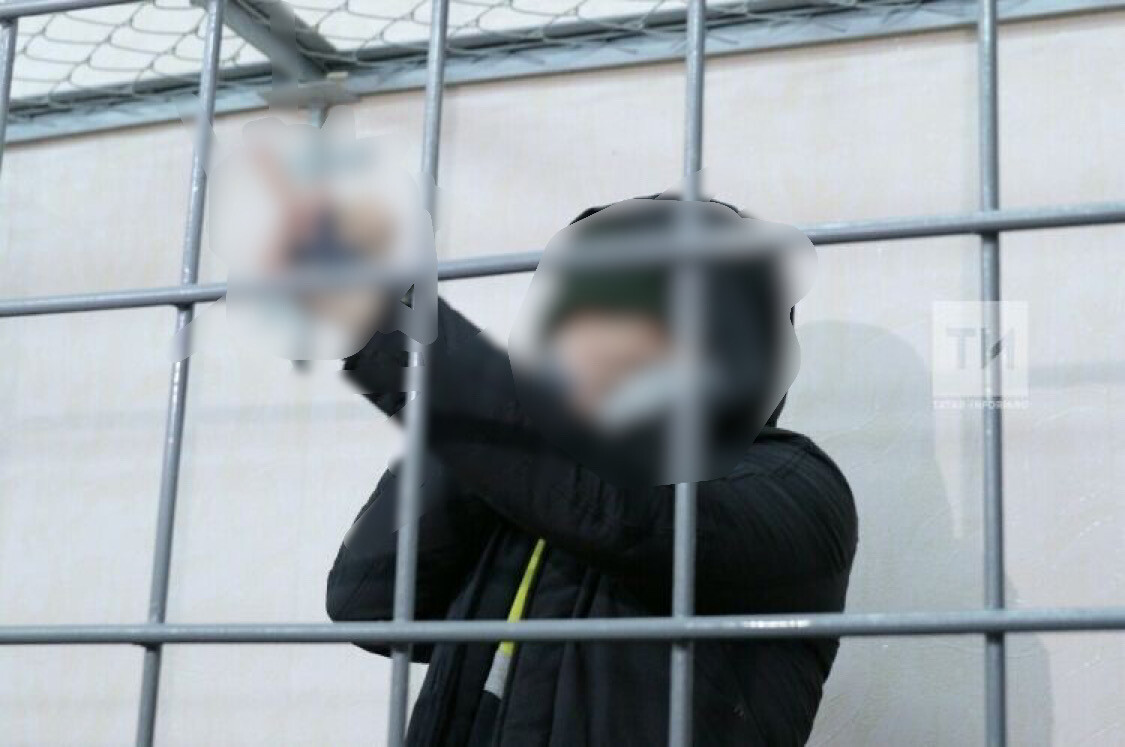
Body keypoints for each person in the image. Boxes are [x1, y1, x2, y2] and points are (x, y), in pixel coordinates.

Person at [324, 196, 858, 746]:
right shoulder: (533, 472)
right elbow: (367, 600)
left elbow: (627, 518)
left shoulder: (795, 481)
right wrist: (487, 421)